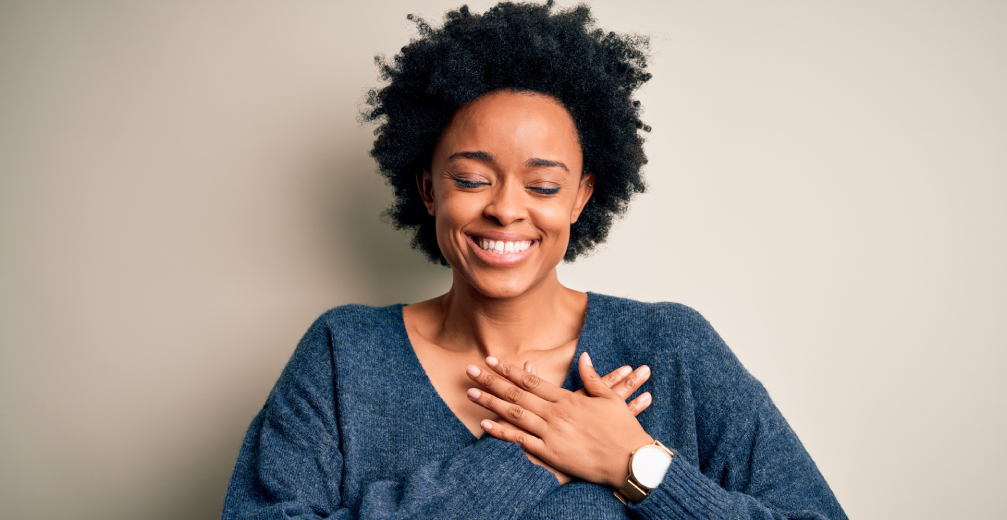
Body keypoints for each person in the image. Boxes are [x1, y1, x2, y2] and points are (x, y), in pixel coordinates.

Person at [221, 2, 847, 519]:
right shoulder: (345, 354)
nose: (506, 210)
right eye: (470, 179)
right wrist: (521, 461)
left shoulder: (668, 347)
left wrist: (638, 467)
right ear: (428, 189)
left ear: (580, 196)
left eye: (543, 187)